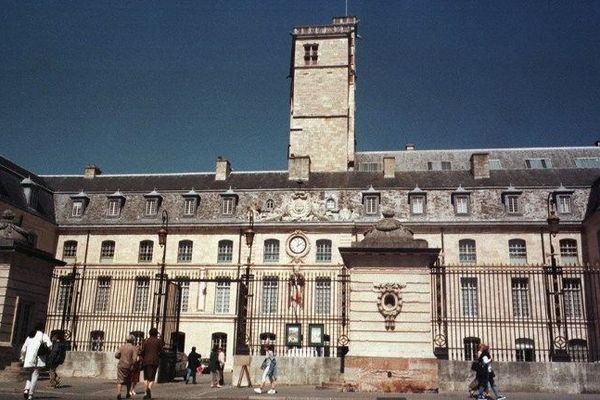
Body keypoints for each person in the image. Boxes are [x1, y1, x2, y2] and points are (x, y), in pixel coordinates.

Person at [20, 322, 52, 400]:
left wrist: (22, 358)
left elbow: (23, 348)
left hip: (29, 359)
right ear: (42, 328)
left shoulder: (30, 336)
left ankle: (26, 389)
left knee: (29, 374)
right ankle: (30, 394)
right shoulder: (43, 336)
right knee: (35, 375)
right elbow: (50, 345)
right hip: (38, 359)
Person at [140, 328, 164, 399]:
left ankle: (145, 393)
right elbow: (161, 350)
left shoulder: (146, 341)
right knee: (152, 377)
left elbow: (142, 351)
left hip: (146, 361)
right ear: (156, 333)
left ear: (149, 333)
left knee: (146, 377)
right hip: (154, 361)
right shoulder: (158, 341)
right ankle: (149, 389)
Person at [115, 334, 138, 400]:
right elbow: (134, 359)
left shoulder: (122, 347)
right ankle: (127, 393)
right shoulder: (134, 348)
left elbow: (116, 355)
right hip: (129, 366)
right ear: (133, 341)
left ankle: (119, 394)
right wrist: (133, 365)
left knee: (120, 380)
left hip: (121, 365)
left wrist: (121, 357)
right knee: (129, 380)